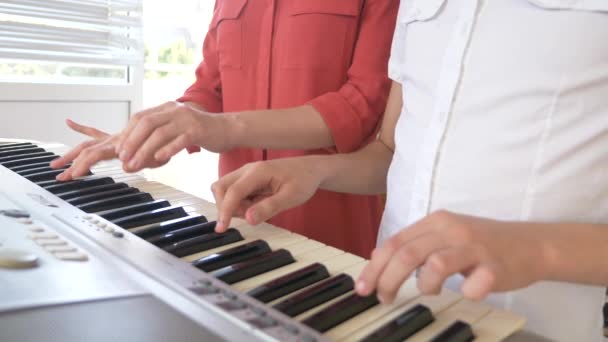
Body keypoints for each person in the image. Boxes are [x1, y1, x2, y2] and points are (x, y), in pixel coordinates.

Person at [210, 1, 608, 340]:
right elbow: (391, 152)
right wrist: (315, 170)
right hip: (393, 311)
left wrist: (534, 248)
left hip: (535, 328)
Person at [51, 0, 400, 257]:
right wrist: (158, 133)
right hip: (237, 223)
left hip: (335, 230)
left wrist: (223, 126)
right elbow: (209, 89)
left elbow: (363, 105)